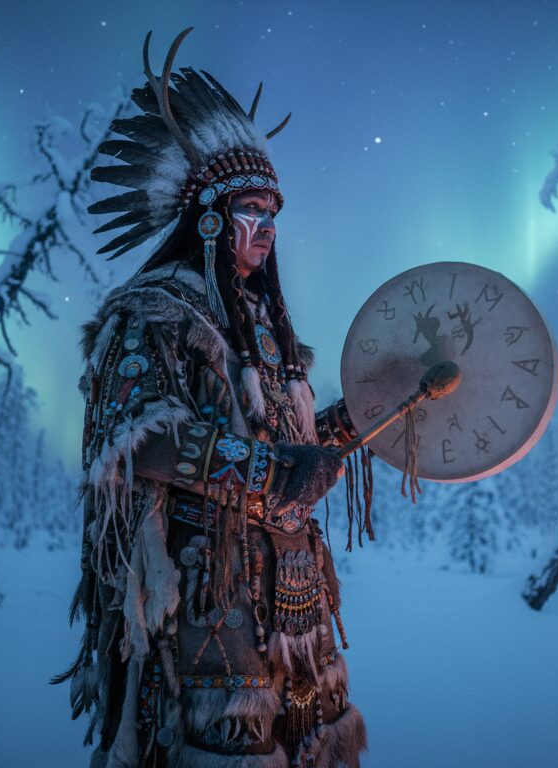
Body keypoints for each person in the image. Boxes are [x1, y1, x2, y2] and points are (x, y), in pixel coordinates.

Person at [56, 29, 368, 768]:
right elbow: (138, 437)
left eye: (274, 214)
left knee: (312, 742)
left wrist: (353, 421)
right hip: (210, 589)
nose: (266, 231)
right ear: (208, 218)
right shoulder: (155, 312)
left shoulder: (266, 331)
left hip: (298, 592)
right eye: (251, 211)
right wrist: (268, 472)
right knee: (228, 750)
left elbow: (284, 446)